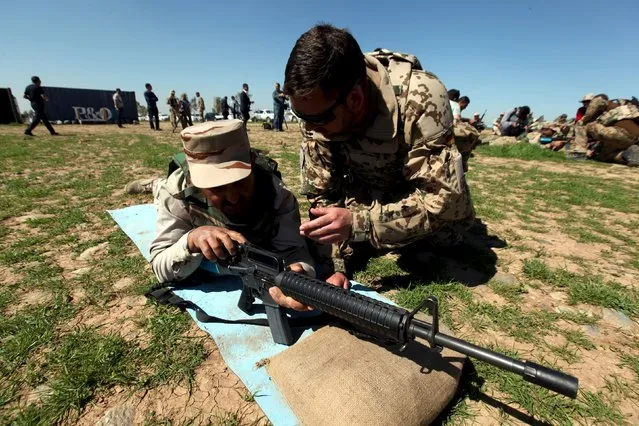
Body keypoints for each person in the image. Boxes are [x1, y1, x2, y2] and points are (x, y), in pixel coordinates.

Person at [284, 24, 475, 286]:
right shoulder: (316, 112)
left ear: (355, 99)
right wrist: (335, 265)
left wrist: (359, 223)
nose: (308, 127)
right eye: (301, 116)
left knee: (445, 238)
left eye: (318, 119)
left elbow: (443, 201)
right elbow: (323, 195)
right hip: (369, 193)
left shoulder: (420, 96)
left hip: (418, 194)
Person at [146, 119, 339, 311]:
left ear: (252, 163)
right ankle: (152, 184)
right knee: (159, 189)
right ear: (197, 182)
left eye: (241, 182)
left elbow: (294, 251)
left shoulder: (276, 193)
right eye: (217, 188)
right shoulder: (177, 192)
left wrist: (299, 274)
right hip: (166, 192)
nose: (233, 197)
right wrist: (191, 240)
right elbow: (160, 267)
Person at [569, 94, 639, 165]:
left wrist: (583, 120)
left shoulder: (602, 100)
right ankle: (627, 154)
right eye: (584, 103)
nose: (585, 105)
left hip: (618, 132)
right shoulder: (624, 108)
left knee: (581, 125)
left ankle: (579, 153)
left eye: (588, 102)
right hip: (632, 139)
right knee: (602, 157)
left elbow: (588, 115)